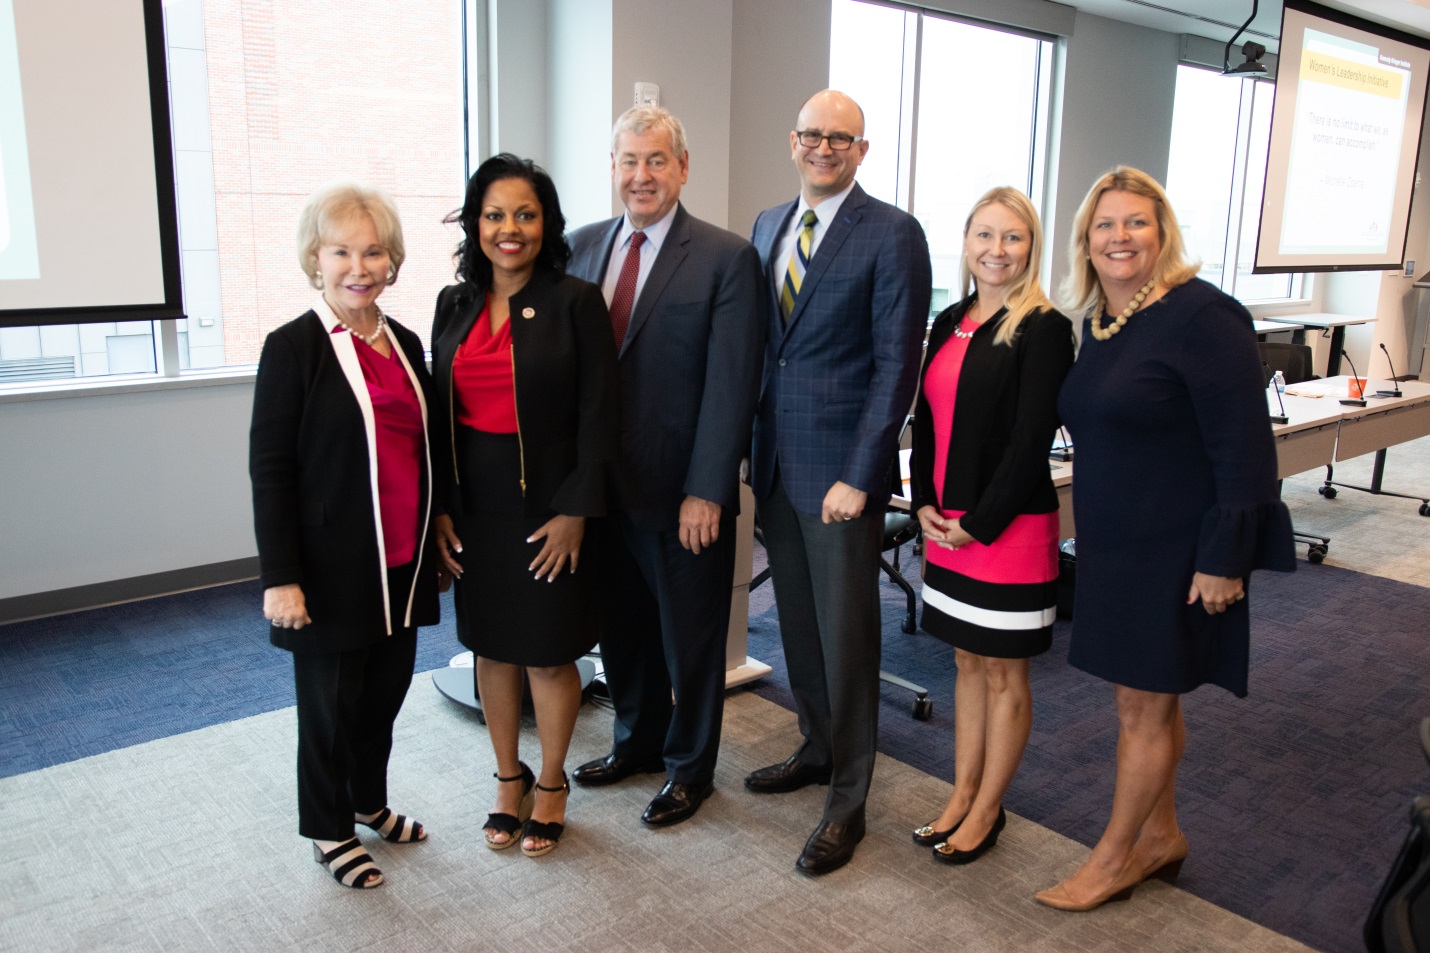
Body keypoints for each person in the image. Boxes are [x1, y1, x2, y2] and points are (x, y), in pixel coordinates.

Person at [1037, 166, 1294, 911]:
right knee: (1141, 701)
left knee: (1143, 708)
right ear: (1085, 239)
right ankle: (1162, 834)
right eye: (1105, 224)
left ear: (1163, 232)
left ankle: (1114, 857)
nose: (1120, 237)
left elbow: (1246, 451)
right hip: (1115, 541)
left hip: (1176, 546)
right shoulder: (1098, 320)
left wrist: (1224, 559)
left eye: (1137, 222)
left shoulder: (1205, 316)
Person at [746, 89, 931, 875]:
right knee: (796, 624)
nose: (825, 148)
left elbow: (897, 367)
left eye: (841, 138)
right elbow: (767, 349)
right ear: (793, 141)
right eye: (813, 135)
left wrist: (863, 475)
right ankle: (817, 747)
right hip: (779, 466)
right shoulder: (767, 224)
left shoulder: (893, 233)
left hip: (841, 479)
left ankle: (849, 799)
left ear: (862, 149)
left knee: (848, 636)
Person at [567, 106, 765, 826]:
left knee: (691, 640)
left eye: (655, 160)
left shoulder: (724, 257)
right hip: (605, 492)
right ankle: (636, 743)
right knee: (622, 633)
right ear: (613, 167)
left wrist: (707, 489)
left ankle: (689, 769)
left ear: (683, 167)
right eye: (628, 160)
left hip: (684, 495)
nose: (640, 175)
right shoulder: (581, 248)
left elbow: (732, 382)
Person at [250, 182, 441, 889]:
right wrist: (280, 576)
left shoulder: (405, 342)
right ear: (315, 258)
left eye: (373, 250)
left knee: (383, 697)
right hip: (329, 569)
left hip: (402, 561)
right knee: (329, 708)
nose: (358, 265)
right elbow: (269, 471)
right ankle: (329, 829)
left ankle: (368, 801)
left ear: (392, 261)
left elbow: (425, 450)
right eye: (341, 251)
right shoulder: (292, 348)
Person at [430, 154, 619, 857]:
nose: (510, 228)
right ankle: (506, 778)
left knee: (546, 652)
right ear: (475, 223)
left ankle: (549, 782)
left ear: (548, 224)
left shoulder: (574, 301)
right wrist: (442, 508)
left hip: (549, 505)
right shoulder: (453, 304)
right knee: (491, 648)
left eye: (526, 214)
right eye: (495, 214)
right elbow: (436, 415)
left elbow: (602, 415)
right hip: (473, 504)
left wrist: (576, 511)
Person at [908, 187, 1074, 865]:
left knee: (1005, 675)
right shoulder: (949, 319)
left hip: (1005, 533)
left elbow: (1031, 440)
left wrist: (978, 523)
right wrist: (921, 500)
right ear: (966, 241)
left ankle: (988, 808)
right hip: (946, 528)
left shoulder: (1045, 328)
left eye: (1012, 237)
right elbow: (925, 423)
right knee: (966, 663)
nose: (996, 250)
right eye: (984, 234)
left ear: (1031, 247)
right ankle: (962, 792)